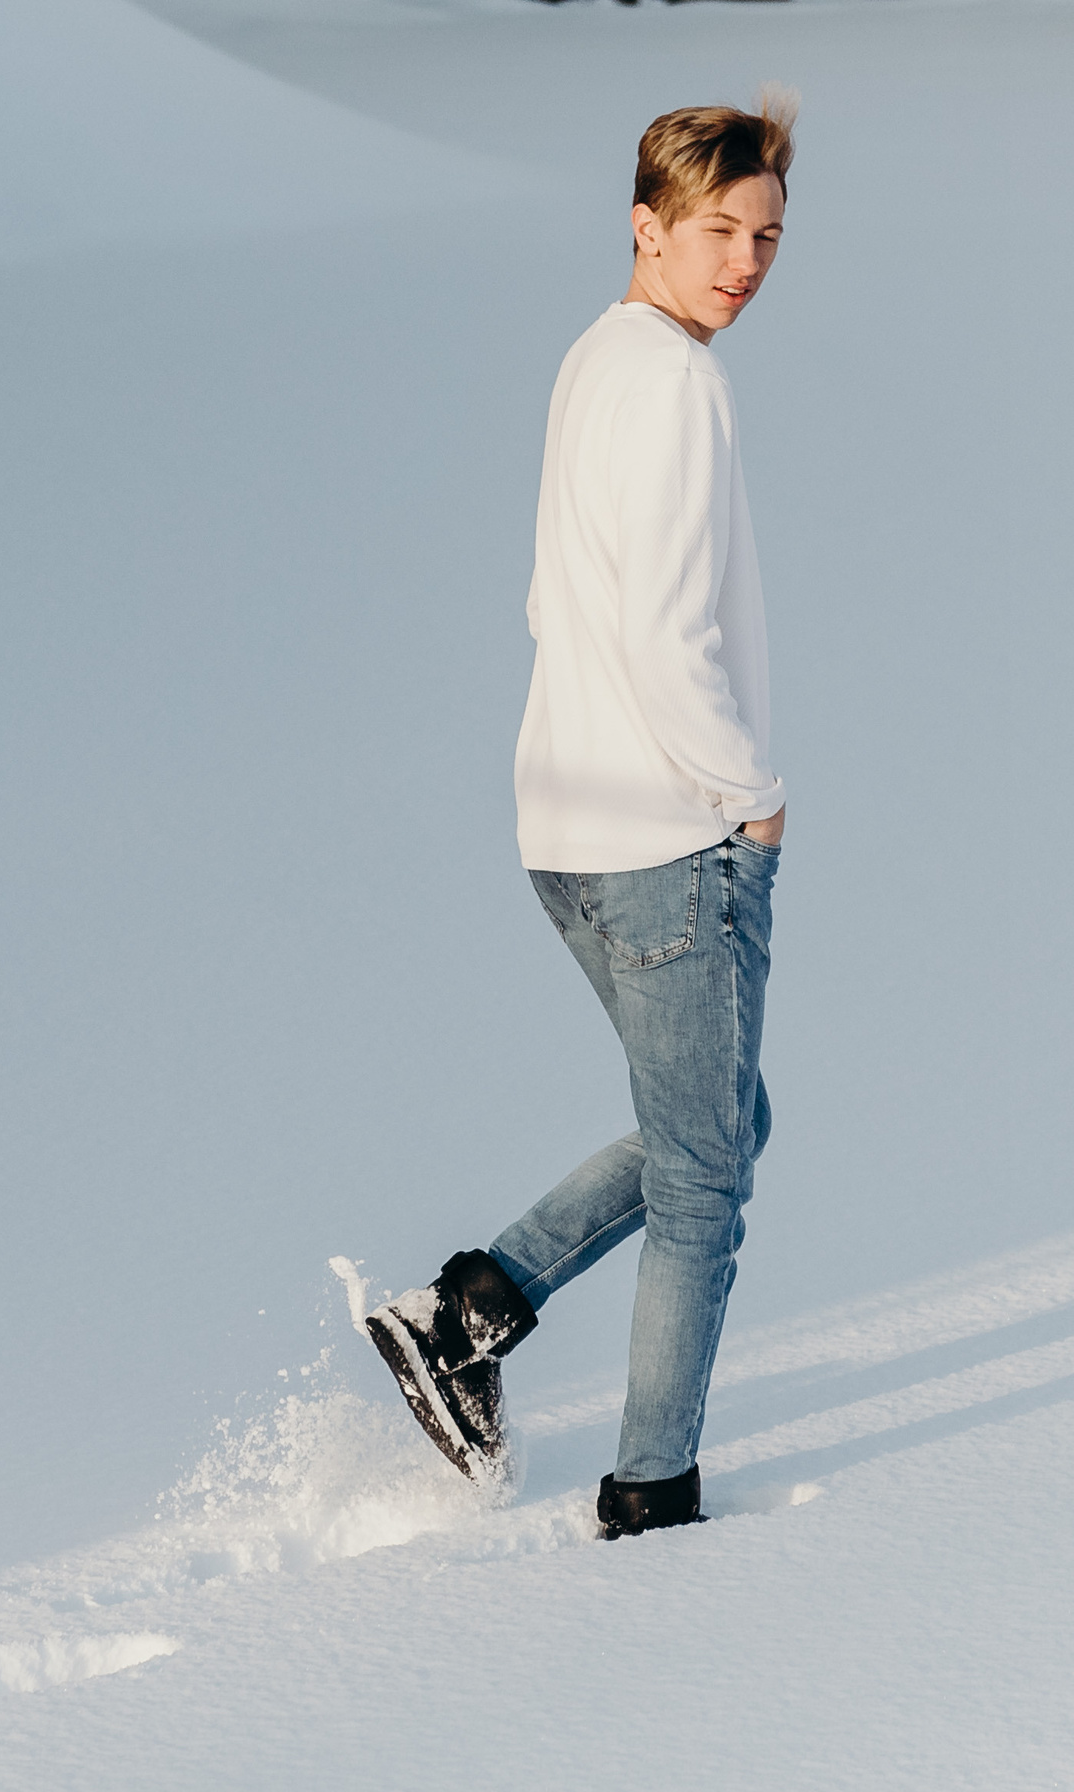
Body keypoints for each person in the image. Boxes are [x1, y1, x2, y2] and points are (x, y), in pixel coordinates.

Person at [363, 92, 796, 1539]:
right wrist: (752, 798)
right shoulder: (674, 383)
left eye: (768, 236)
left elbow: (556, 600)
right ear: (646, 224)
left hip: (567, 827)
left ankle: (473, 1308)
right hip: (670, 841)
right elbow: (670, 633)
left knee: (717, 1127)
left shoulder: (596, 359)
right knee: (705, 1185)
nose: (745, 261)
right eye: (719, 231)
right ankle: (652, 1488)